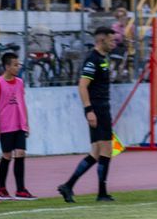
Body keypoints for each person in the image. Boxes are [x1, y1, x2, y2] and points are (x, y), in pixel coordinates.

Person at [58, 26, 116, 203]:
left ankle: (68, 186)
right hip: (98, 109)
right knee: (107, 149)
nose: (114, 42)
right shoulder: (92, 60)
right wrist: (89, 110)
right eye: (111, 39)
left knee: (97, 152)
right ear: (101, 39)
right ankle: (101, 193)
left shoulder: (102, 59)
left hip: (101, 107)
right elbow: (82, 85)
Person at [0, 51, 34, 200]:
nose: (18, 67)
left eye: (18, 64)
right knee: (7, 156)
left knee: (21, 153)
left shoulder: (20, 82)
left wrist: (26, 123)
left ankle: (21, 189)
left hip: (19, 124)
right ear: (7, 66)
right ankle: (2, 189)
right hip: (6, 125)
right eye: (15, 65)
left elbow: (23, 103)